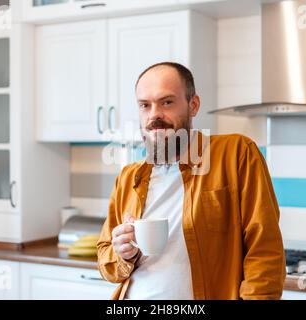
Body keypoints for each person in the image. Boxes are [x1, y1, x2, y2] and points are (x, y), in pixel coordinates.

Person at [97, 62, 286, 300]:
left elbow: (265, 250)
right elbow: (106, 260)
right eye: (145, 105)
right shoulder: (129, 177)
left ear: (193, 105)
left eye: (167, 102)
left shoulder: (236, 153)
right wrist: (122, 254)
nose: (154, 115)